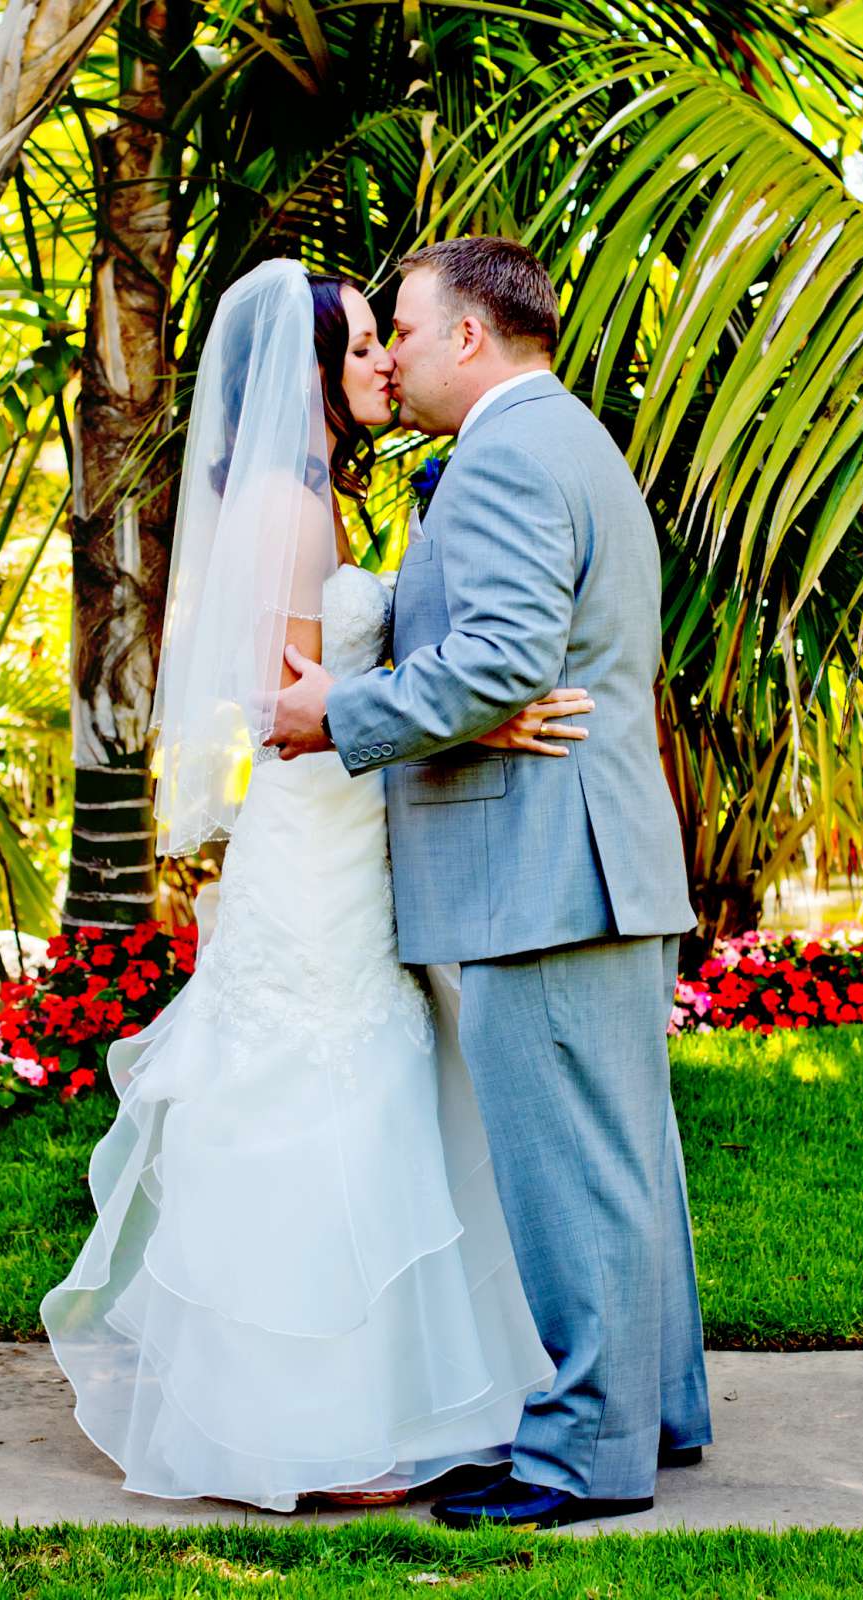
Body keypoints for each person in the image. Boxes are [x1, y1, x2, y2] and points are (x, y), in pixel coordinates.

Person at [39, 257, 582, 1513]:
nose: (385, 363)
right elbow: (290, 710)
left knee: (377, 1080)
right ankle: (315, 1425)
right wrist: (484, 724)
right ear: (311, 380)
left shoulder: (313, 495)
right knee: (330, 1092)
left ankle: (384, 1400)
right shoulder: (289, 509)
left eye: (385, 344)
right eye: (358, 350)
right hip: (320, 837)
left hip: (349, 829)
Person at [266, 236, 711, 1531]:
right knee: (625, 1168)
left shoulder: (513, 450)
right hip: (585, 856)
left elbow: (510, 654)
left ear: (468, 334)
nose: (389, 354)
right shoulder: (562, 437)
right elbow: (507, 645)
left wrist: (338, 712)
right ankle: (654, 1416)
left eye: (401, 327)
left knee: (579, 1177)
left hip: (549, 865)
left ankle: (583, 1457)